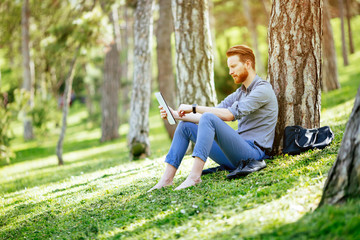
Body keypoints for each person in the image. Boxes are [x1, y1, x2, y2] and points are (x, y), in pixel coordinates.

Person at [149, 45, 278, 191]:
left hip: (253, 154)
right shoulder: (240, 93)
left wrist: (193, 107)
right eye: (229, 68)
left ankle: (194, 177)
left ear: (248, 64)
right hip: (235, 154)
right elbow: (212, 115)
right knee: (185, 126)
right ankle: (167, 179)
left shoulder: (263, 90)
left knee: (209, 117)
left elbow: (228, 115)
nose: (230, 72)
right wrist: (176, 115)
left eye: (234, 66)